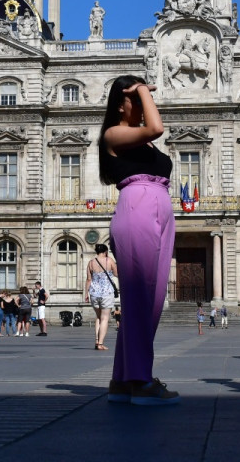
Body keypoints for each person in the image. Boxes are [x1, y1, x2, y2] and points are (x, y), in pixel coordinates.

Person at [99, 75, 179, 405]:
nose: (145, 102)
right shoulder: (113, 133)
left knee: (152, 299)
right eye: (135, 97)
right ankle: (141, 381)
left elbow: (151, 130)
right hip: (138, 208)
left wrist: (141, 93)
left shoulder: (143, 143)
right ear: (120, 104)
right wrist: (144, 89)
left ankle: (122, 380)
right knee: (140, 299)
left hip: (159, 209)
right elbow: (157, 127)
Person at [85, 243, 118, 351]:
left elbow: (88, 279)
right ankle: (100, 343)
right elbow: (117, 274)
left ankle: (96, 340)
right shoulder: (109, 260)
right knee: (104, 318)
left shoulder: (91, 263)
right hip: (106, 293)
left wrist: (86, 294)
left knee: (98, 317)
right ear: (106, 251)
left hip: (94, 293)